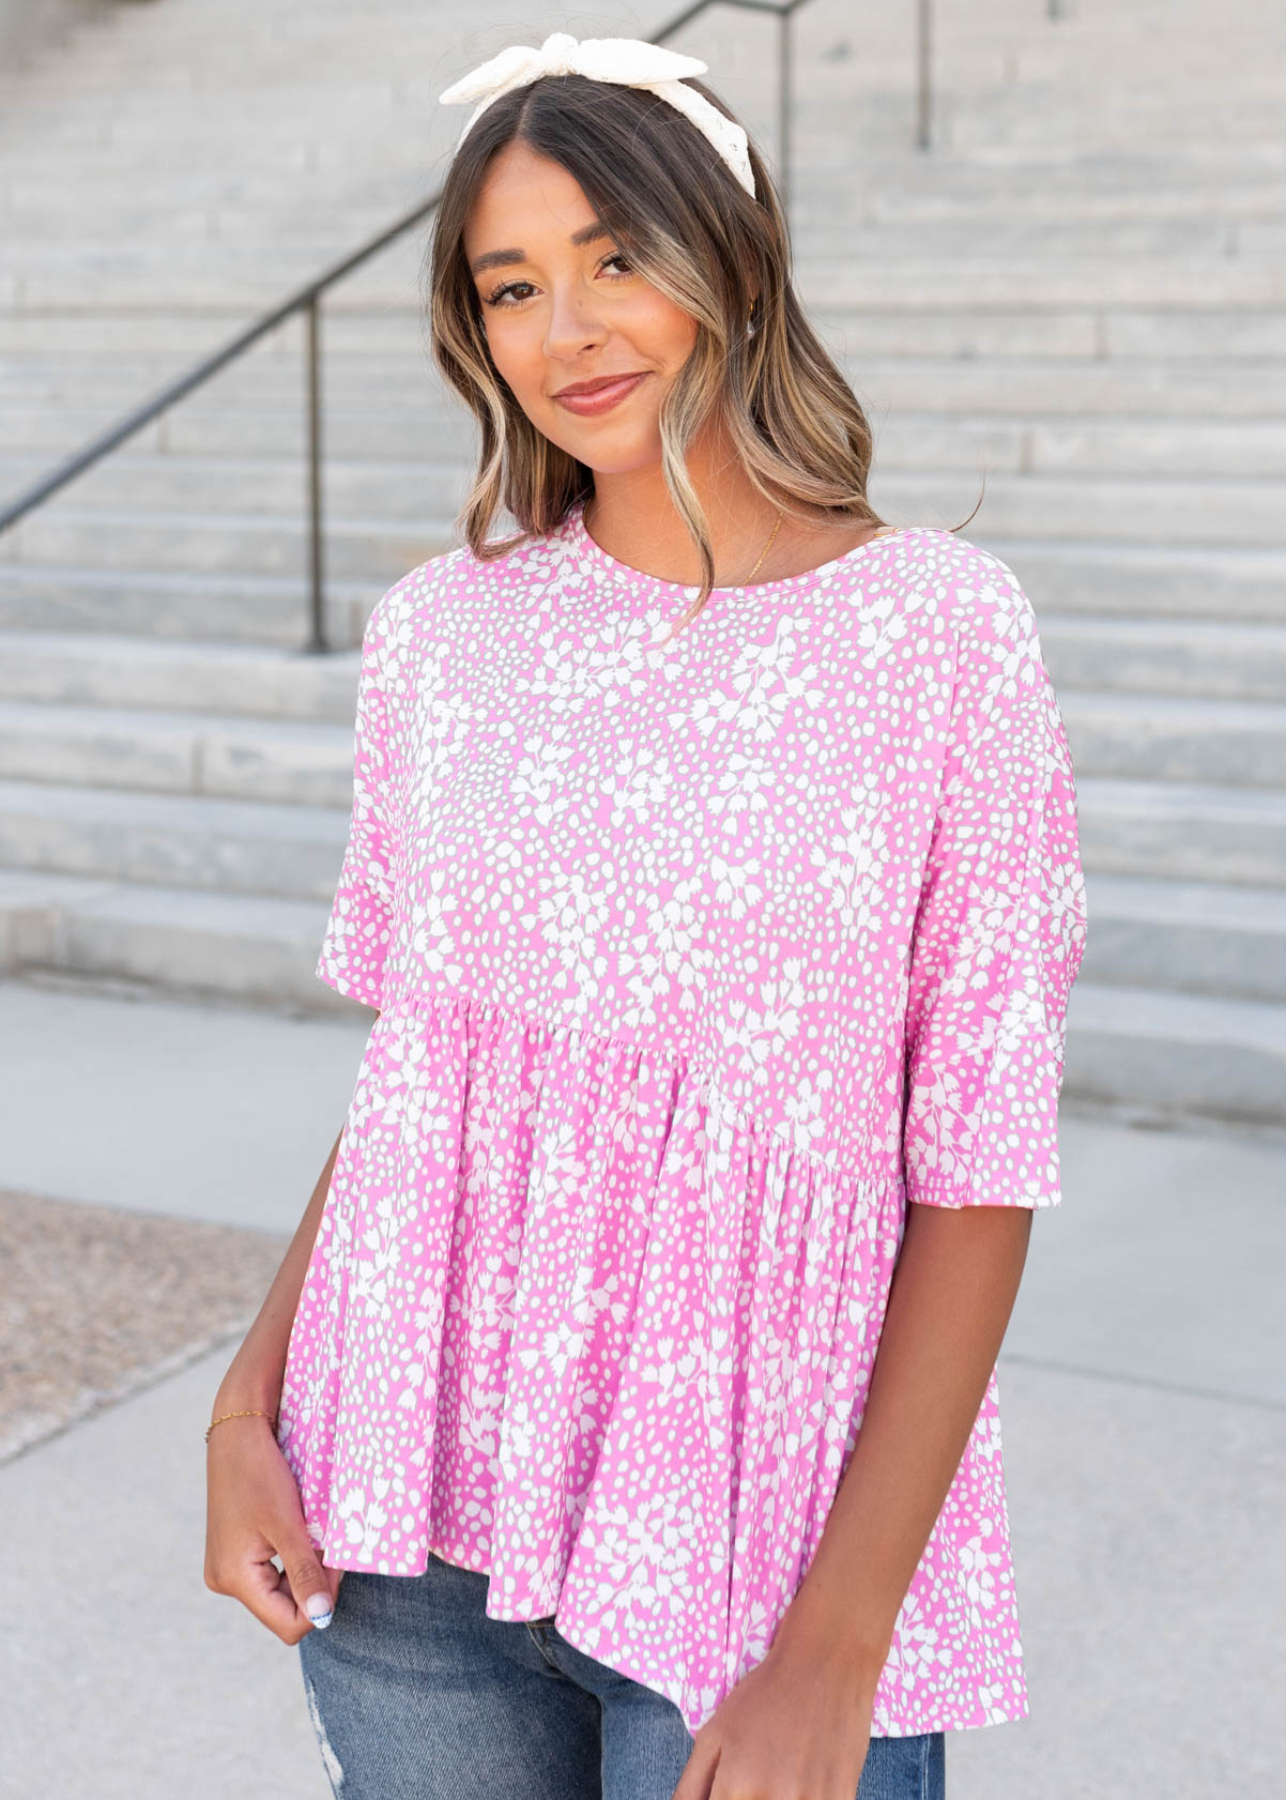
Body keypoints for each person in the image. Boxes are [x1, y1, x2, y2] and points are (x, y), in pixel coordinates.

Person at [203, 30, 1090, 1800]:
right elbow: (421, 1078)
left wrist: (838, 1646)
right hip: (399, 1523)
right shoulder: (439, 638)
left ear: (729, 263)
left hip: (754, 1555)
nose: (570, 329)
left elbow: (974, 1173)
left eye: (617, 258)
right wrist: (244, 1407)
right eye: (512, 284)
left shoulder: (936, 632)